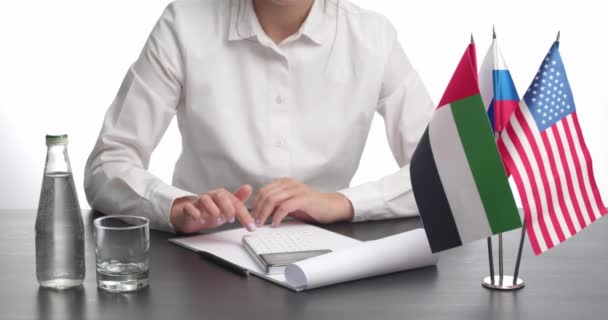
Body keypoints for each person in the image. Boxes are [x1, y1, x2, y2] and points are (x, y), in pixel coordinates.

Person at [84, 0, 434, 234]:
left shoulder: (373, 36)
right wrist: (174, 206)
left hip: (327, 259)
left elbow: (449, 172)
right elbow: (108, 163)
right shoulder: (184, 23)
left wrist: (341, 203)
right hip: (203, 257)